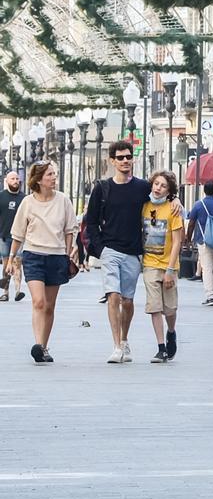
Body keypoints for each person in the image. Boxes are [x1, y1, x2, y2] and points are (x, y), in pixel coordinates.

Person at [84, 141, 154, 364]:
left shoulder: (143, 187)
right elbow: (91, 221)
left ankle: (124, 339)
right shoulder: (102, 188)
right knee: (113, 295)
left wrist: (175, 203)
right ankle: (116, 346)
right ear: (112, 161)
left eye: (128, 157)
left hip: (133, 252)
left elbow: (161, 200)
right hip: (110, 250)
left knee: (128, 300)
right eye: (121, 157)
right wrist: (100, 249)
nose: (125, 161)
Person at [4, 161, 78, 363]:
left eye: (55, 174)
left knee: (50, 306)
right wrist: (11, 258)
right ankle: (38, 345)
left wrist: (68, 253)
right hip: (33, 255)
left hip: (56, 256)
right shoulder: (27, 202)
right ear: (38, 180)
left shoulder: (63, 200)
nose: (54, 178)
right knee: (38, 301)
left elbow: (70, 228)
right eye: (50, 175)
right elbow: (18, 233)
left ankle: (44, 347)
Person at [142, 171, 185, 363]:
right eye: (156, 184)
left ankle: (171, 331)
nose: (158, 188)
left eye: (163, 186)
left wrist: (169, 270)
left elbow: (177, 241)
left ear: (169, 191)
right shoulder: (143, 205)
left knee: (170, 309)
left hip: (168, 265)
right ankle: (161, 348)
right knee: (154, 307)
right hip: (149, 263)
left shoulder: (173, 209)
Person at [0, 171, 24, 302]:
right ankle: (5, 292)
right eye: (12, 179)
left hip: (19, 237)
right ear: (7, 181)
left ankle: (18, 290)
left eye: (17, 179)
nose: (15, 181)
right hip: (4, 236)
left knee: (17, 263)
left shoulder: (24, 198)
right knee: (5, 264)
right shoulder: (1, 196)